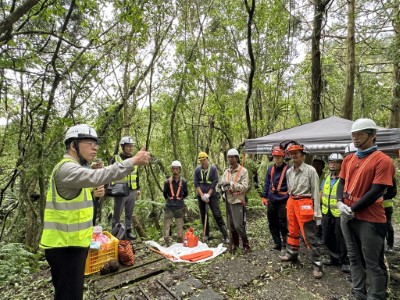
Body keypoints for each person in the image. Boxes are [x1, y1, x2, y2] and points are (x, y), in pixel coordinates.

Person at [40, 124, 150, 300]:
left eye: (96, 143)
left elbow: (79, 197)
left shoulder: (77, 169)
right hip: (63, 247)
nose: (95, 147)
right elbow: (95, 177)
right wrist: (133, 161)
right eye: (89, 142)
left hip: (75, 243)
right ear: (72, 145)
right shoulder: (66, 168)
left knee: (72, 293)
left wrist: (94, 194)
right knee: (69, 295)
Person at [337, 118, 394, 300]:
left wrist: (352, 208)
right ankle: (357, 293)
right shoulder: (348, 159)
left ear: (372, 135)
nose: (355, 137)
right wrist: (340, 202)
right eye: (353, 134)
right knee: (353, 258)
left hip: (370, 218)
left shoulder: (382, 160)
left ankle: (376, 296)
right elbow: (342, 182)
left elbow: (377, 190)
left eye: (360, 134)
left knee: (373, 262)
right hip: (347, 216)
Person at [279, 141, 323, 279]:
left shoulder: (311, 170)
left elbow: (316, 191)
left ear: (303, 156)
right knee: (291, 231)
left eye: (296, 154)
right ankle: (292, 253)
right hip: (292, 201)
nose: (293, 156)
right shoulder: (289, 171)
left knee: (309, 235)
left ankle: (317, 264)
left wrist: (317, 212)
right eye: (291, 154)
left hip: (305, 202)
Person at [320, 153, 350, 273]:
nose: (332, 164)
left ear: (341, 164)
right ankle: (334, 258)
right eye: (331, 161)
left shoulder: (345, 179)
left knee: (341, 239)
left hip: (339, 213)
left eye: (336, 162)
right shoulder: (327, 177)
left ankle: (345, 261)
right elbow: (321, 193)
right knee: (327, 237)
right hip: (326, 212)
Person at [109, 136, 141, 240]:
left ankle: (128, 232)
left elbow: (137, 174)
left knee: (129, 212)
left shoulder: (134, 159)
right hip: (120, 190)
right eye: (128, 146)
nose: (131, 148)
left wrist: (138, 188)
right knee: (117, 213)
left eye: (132, 146)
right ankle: (115, 232)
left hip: (132, 190)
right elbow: (109, 172)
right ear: (123, 147)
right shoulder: (116, 158)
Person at [194, 152, 229, 243]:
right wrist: (202, 195)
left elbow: (215, 182)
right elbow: (196, 183)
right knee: (203, 215)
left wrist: (208, 195)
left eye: (204, 160)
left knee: (217, 214)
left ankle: (226, 235)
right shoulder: (197, 170)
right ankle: (206, 234)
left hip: (212, 195)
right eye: (201, 161)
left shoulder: (213, 169)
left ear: (207, 159)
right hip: (201, 196)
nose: (203, 162)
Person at [220, 149, 250, 254]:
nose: (230, 159)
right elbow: (221, 183)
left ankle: (246, 244)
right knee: (231, 225)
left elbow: (245, 187)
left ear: (237, 158)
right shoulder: (226, 171)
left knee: (238, 225)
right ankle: (235, 244)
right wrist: (223, 187)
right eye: (228, 157)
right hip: (228, 200)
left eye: (232, 157)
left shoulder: (243, 171)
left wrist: (232, 184)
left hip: (238, 200)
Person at [261, 144, 289, 251]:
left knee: (283, 222)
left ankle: (286, 243)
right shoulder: (270, 169)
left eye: (279, 156)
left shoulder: (288, 169)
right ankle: (277, 242)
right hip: (272, 200)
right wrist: (264, 196)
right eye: (275, 157)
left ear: (283, 157)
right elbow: (267, 183)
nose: (276, 158)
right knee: (272, 222)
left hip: (283, 200)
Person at [163, 160, 188, 246]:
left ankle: (180, 242)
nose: (175, 170)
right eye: (173, 169)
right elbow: (164, 193)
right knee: (166, 225)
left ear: (179, 169)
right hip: (169, 206)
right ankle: (167, 243)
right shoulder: (167, 182)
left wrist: (179, 199)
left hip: (179, 206)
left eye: (177, 169)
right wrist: (170, 200)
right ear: (171, 170)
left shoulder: (184, 182)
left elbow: (186, 193)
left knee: (180, 226)